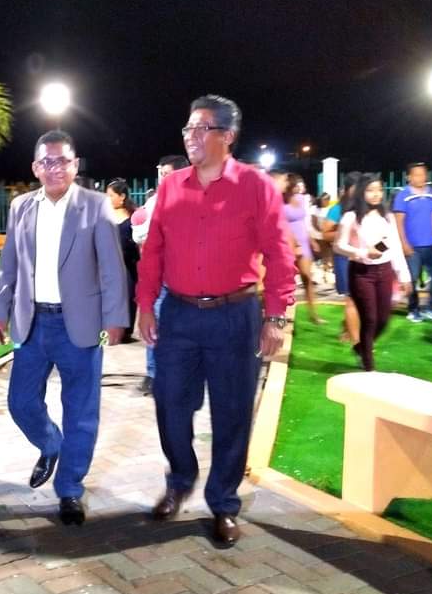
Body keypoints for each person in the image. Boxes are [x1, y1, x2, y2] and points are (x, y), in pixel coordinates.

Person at [137, 95, 294, 548]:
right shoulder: (171, 187)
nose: (190, 136)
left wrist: (276, 317)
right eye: (187, 128)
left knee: (232, 412)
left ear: (227, 135)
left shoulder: (255, 186)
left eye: (201, 128)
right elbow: (154, 251)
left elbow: (279, 254)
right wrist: (145, 305)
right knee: (169, 401)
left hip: (235, 315)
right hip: (179, 314)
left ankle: (223, 502)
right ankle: (180, 479)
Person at [0, 130, 128, 526]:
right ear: (36, 167)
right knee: (21, 402)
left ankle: (70, 488)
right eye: (47, 162)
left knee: (81, 411)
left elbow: (112, 267)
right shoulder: (21, 207)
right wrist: (1, 310)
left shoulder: (95, 205)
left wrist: (115, 318)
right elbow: (8, 264)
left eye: (63, 161)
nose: (56, 168)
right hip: (32, 322)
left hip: (80, 324)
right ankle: (51, 444)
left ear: (75, 164)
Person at [336, 174, 412, 371]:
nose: (376, 194)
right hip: (361, 272)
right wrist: (362, 252)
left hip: (384, 271)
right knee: (369, 319)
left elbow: (395, 246)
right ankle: (369, 367)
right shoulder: (351, 217)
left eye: (379, 190)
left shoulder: (387, 217)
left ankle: (361, 348)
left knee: (383, 319)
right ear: (361, 192)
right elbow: (338, 246)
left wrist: (404, 275)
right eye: (370, 190)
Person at [131, 155, 189, 395]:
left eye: (167, 174)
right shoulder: (154, 201)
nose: (163, 179)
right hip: (161, 275)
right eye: (161, 174)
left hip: (188, 277)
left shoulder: (196, 198)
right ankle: (153, 373)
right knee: (153, 322)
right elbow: (140, 234)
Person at [392, 162, 432, 322]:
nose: (421, 177)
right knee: (412, 279)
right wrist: (404, 244)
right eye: (417, 174)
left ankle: (431, 307)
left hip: (430, 245)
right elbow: (398, 222)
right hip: (412, 246)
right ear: (409, 177)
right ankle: (413, 309)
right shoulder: (403, 195)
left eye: (423, 174)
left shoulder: (431, 193)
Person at [272, 172, 324, 325]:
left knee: (307, 278)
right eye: (295, 185)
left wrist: (311, 239)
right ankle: (281, 313)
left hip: (304, 241)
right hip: (288, 242)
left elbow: (306, 222)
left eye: (299, 184)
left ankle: (313, 314)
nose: (298, 187)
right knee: (285, 281)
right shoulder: (279, 202)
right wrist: (295, 244)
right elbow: (281, 225)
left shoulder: (302, 199)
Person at [322, 172, 362, 345]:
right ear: (347, 189)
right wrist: (345, 231)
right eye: (356, 188)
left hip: (363, 259)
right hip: (344, 258)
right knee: (351, 298)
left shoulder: (366, 208)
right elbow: (325, 234)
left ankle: (348, 326)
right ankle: (356, 341)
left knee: (361, 299)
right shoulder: (337, 210)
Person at [106, 178, 139, 342]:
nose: (108, 199)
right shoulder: (105, 215)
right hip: (108, 266)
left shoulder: (133, 216)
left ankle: (125, 333)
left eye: (111, 196)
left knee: (128, 297)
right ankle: (107, 333)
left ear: (122, 196)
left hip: (128, 265)